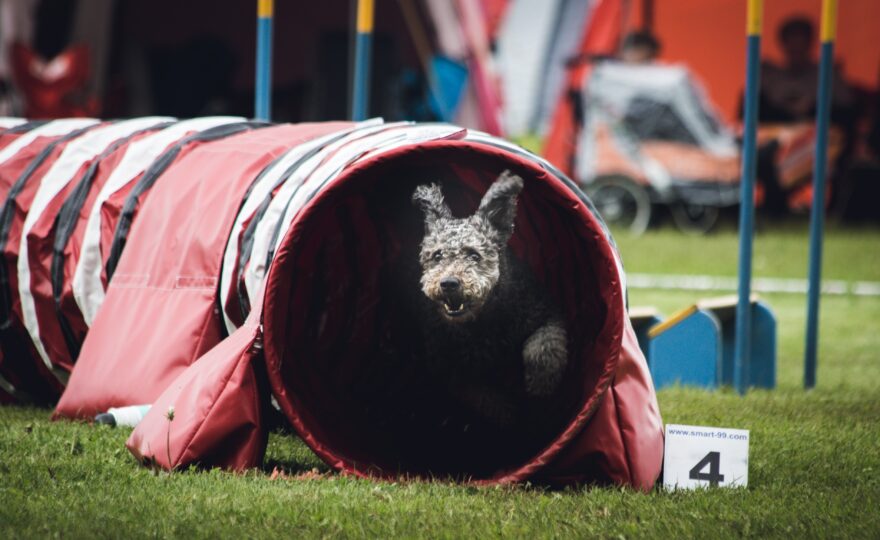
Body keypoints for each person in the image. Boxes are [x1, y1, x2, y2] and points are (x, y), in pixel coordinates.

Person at [758, 16, 854, 123]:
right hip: (775, 135)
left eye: (801, 46)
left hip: (819, 134)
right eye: (792, 47)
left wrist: (812, 108)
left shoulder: (827, 76)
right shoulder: (768, 77)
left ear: (810, 44)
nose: (797, 52)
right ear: (783, 44)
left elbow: (847, 113)